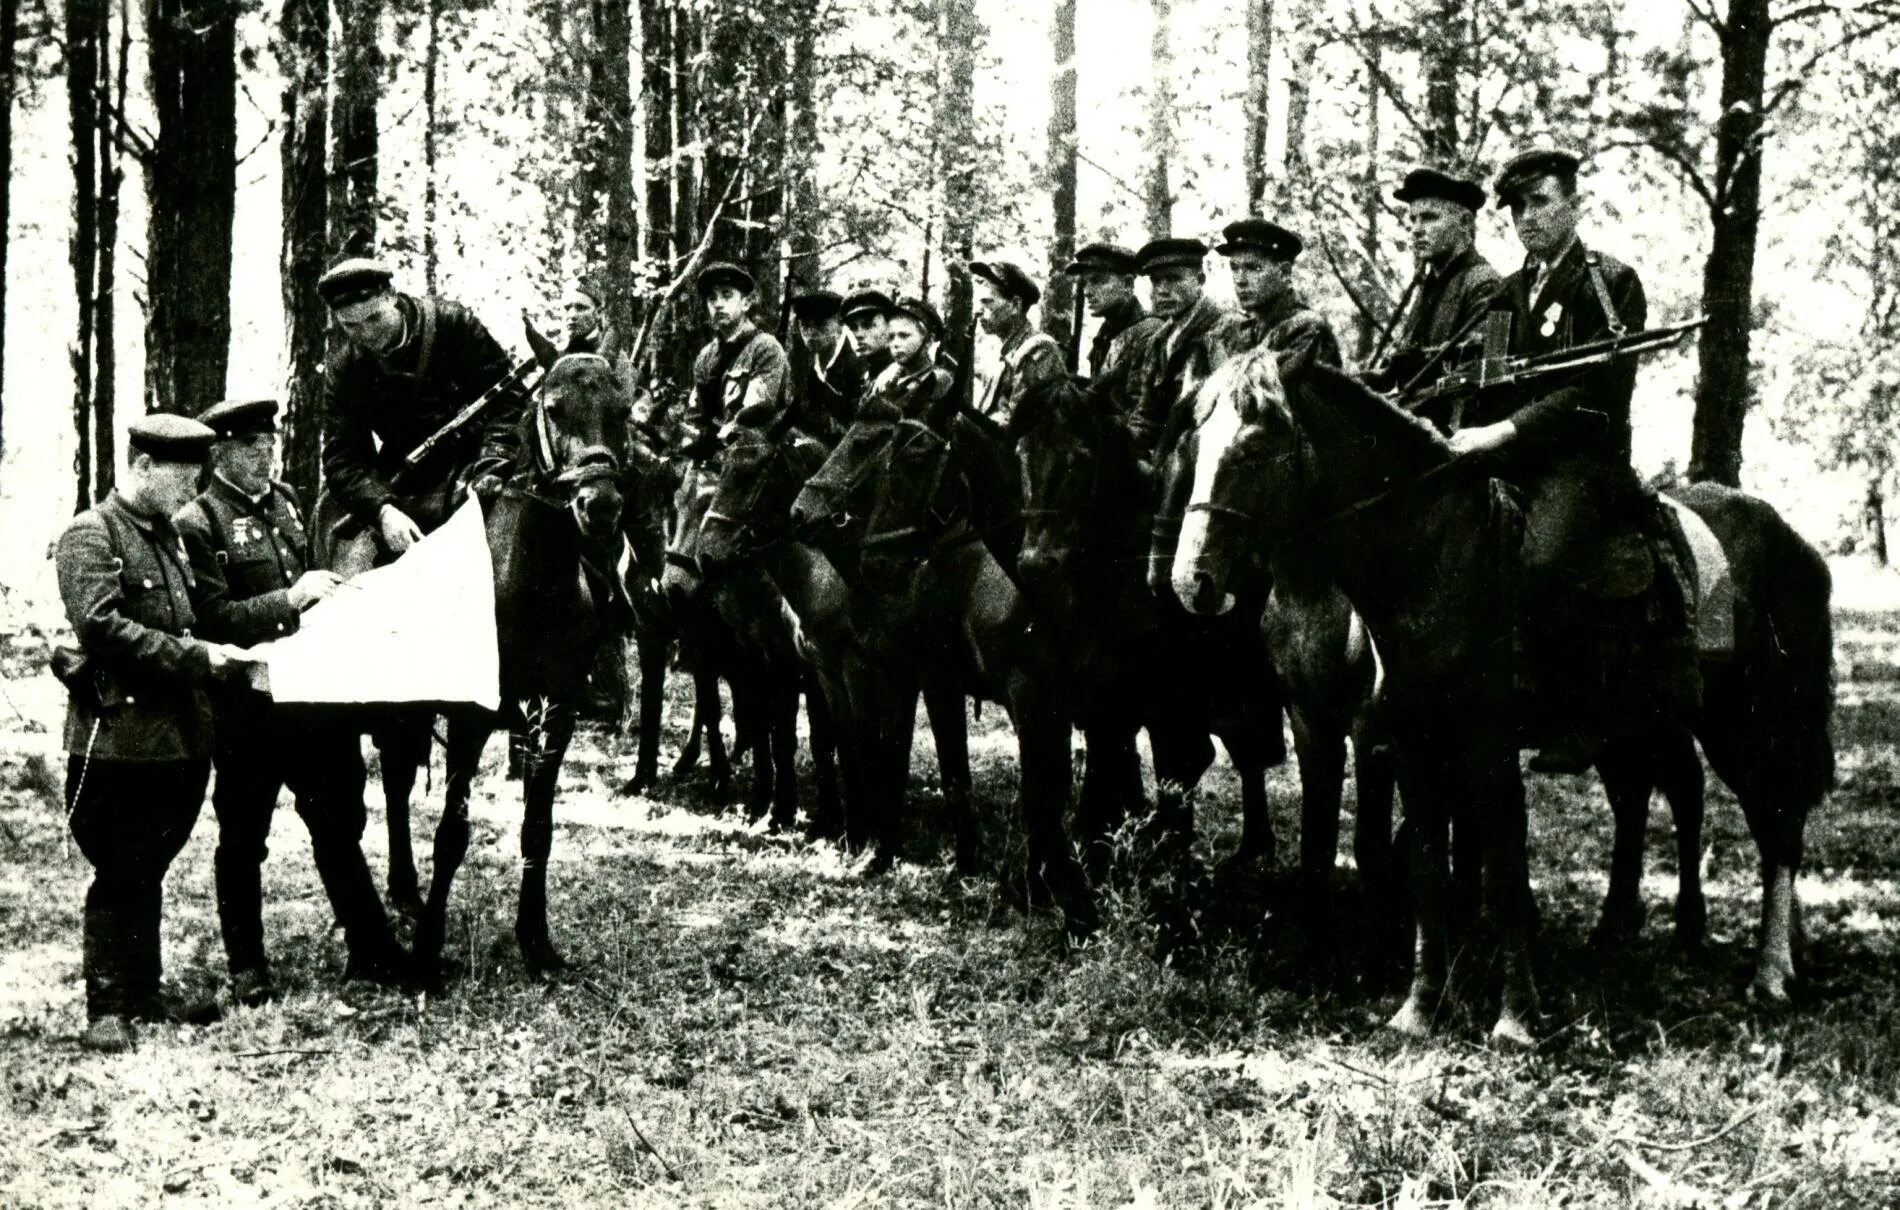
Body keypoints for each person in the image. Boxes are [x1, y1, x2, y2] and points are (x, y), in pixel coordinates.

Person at [174, 399, 413, 1007]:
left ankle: (372, 948)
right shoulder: (199, 522)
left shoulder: (285, 504)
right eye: (253, 448)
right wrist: (291, 598)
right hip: (247, 709)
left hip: (307, 700)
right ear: (220, 453)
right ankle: (247, 967)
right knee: (243, 836)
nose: (266, 457)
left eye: (269, 446)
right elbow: (210, 618)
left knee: (336, 825)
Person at [1452, 148, 1677, 771]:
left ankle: (1572, 714)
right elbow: (1491, 382)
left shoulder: (1610, 281)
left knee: (1543, 557)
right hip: (1513, 454)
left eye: (1541, 202)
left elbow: (1595, 393)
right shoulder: (1505, 294)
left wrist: (1503, 432)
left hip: (1584, 462)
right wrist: (1462, 430)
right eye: (1518, 208)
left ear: (1573, 205)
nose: (1527, 217)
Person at [53, 416, 258, 1052]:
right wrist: (200, 658)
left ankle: (144, 992)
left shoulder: (166, 535)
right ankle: (107, 1005)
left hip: (179, 738)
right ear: (143, 467)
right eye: (182, 477)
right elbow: (103, 628)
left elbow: (185, 618)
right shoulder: (91, 534)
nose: (192, 491)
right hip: (121, 739)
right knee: (118, 866)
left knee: (150, 865)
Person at [318, 255, 529, 556]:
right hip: (412, 480)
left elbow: (510, 398)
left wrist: (493, 464)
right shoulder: (345, 369)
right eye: (351, 326)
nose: (367, 333)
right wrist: (383, 510)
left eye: (374, 318)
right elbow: (343, 458)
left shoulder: (452, 324)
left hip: (483, 457)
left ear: (391, 296)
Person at [1365, 168, 1501, 397]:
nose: (1416, 230)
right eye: (1413, 219)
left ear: (1465, 223)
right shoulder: (1428, 287)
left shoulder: (1485, 283)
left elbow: (1490, 370)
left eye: (1429, 217)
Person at [1125, 237, 1233, 457]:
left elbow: (1226, 413)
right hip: (1165, 456)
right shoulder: (1160, 340)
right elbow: (1147, 412)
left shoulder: (1225, 328)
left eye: (1173, 279)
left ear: (1199, 280)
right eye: (1156, 281)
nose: (1163, 290)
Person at [1213, 218, 1342, 367]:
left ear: (1284, 272)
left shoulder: (1307, 330)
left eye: (1254, 268)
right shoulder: (1245, 331)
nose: (1240, 280)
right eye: (1234, 268)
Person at [686, 261, 792, 438]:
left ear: (746, 303)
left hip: (756, 451)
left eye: (727, 295)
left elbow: (756, 412)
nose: (718, 304)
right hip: (718, 451)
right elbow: (696, 414)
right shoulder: (706, 356)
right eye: (712, 298)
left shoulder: (765, 348)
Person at [969, 260, 1064, 423]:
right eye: (978, 303)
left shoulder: (1038, 349)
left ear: (1015, 305)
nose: (978, 311)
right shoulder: (1003, 353)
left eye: (987, 302)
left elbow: (1017, 426)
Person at [788, 288, 866, 438]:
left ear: (839, 323)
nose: (811, 333)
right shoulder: (803, 359)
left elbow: (854, 424)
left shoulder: (857, 363)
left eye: (820, 324)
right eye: (805, 325)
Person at [842, 288, 897, 385]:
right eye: (853, 327)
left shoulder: (899, 374)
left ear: (890, 326)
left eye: (867, 325)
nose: (858, 334)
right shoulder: (859, 375)